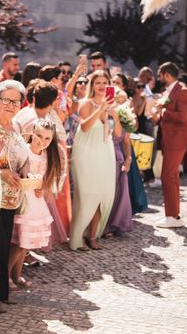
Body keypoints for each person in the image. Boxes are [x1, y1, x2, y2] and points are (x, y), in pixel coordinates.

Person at [0, 80, 29, 313]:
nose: (11, 105)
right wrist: (2, 173)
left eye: (16, 101)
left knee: (5, 244)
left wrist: (25, 169)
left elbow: (23, 157)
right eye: (6, 100)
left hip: (12, 197)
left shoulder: (17, 127)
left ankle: (1, 292)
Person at [70, 70, 120, 250]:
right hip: (85, 153)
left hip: (104, 152)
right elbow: (84, 127)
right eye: (98, 83)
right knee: (86, 195)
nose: (101, 86)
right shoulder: (85, 102)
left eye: (105, 83)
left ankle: (92, 236)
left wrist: (114, 115)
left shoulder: (111, 105)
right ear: (93, 85)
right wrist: (100, 109)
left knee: (102, 194)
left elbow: (117, 133)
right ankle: (77, 237)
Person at [9, 119, 61, 288]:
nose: (42, 141)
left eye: (47, 138)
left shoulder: (46, 156)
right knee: (19, 243)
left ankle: (17, 275)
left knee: (26, 244)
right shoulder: (25, 151)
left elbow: (44, 178)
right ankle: (6, 275)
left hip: (36, 202)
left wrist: (43, 187)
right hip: (23, 200)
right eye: (38, 136)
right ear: (32, 133)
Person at [151, 62, 187, 228]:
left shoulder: (182, 91)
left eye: (160, 75)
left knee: (167, 176)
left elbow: (183, 117)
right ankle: (173, 215)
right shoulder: (171, 90)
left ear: (167, 75)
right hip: (170, 138)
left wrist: (162, 110)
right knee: (172, 176)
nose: (159, 79)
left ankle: (172, 217)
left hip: (177, 139)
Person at [104, 96, 134, 236]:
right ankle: (102, 225)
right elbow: (108, 136)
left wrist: (128, 159)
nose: (119, 101)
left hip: (119, 158)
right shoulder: (106, 117)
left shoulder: (124, 117)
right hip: (106, 155)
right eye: (116, 98)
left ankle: (113, 224)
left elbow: (127, 144)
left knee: (118, 192)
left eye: (121, 98)